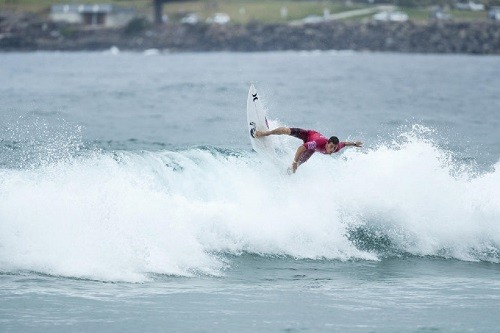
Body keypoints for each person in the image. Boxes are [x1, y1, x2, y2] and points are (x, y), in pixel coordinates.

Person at [255, 127, 362, 173]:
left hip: (313, 150)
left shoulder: (336, 148)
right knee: (286, 130)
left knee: (297, 166)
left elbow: (344, 143)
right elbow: (301, 148)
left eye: (334, 148)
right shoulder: (318, 143)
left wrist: (354, 143)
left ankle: (285, 174)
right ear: (327, 143)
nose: (332, 150)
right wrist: (294, 161)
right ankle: (265, 133)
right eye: (331, 147)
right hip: (308, 135)